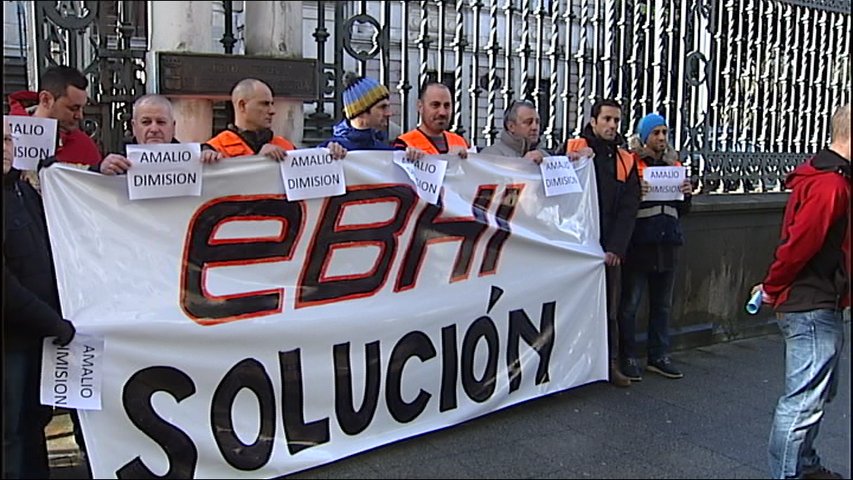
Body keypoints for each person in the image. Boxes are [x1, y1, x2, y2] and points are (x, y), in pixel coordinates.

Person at [752, 103, 850, 480]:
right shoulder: (831, 183)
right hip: (811, 301)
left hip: (817, 298)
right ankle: (789, 473)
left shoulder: (827, 177)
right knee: (803, 402)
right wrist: (774, 286)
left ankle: (803, 465)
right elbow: (799, 244)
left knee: (818, 395)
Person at [3, 120, 77, 479]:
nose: (4, 147)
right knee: (11, 434)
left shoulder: (22, 191)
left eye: (5, 139)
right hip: (11, 341)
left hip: (36, 336)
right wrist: (56, 323)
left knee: (34, 424)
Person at [563, 98, 641, 387]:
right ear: (593, 121)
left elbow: (629, 207)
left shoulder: (625, 159)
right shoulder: (573, 149)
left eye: (616, 120)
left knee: (610, 310)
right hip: (577, 243)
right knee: (573, 306)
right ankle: (569, 367)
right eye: (606, 119)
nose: (611, 125)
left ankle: (609, 364)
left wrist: (616, 248)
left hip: (607, 248)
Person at [617, 113, 693, 382]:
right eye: (656, 133)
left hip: (667, 243)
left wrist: (686, 191)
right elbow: (623, 205)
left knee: (662, 305)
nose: (661, 138)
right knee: (630, 305)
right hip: (640, 243)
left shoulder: (675, 165)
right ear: (644, 136)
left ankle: (658, 356)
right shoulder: (631, 164)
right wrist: (638, 192)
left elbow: (682, 209)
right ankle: (627, 356)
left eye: (664, 132)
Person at [207, 78, 345, 161]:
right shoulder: (213, 150)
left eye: (272, 104)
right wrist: (258, 162)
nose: (272, 111)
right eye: (265, 104)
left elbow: (311, 174)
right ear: (242, 105)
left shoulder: (286, 146)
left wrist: (328, 154)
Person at [96, 94, 222, 175]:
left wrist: (210, 161)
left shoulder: (196, 158)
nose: (154, 129)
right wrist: (100, 171)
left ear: (173, 127)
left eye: (161, 122)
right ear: (134, 127)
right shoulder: (118, 165)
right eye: (146, 122)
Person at [481, 100, 592, 163]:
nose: (535, 127)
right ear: (511, 126)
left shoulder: (544, 155)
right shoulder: (491, 155)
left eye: (537, 122)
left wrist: (575, 161)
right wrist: (524, 165)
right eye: (528, 122)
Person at [391, 81, 469, 158]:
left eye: (447, 106)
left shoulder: (460, 142)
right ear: (420, 106)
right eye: (435, 105)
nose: (442, 112)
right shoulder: (404, 144)